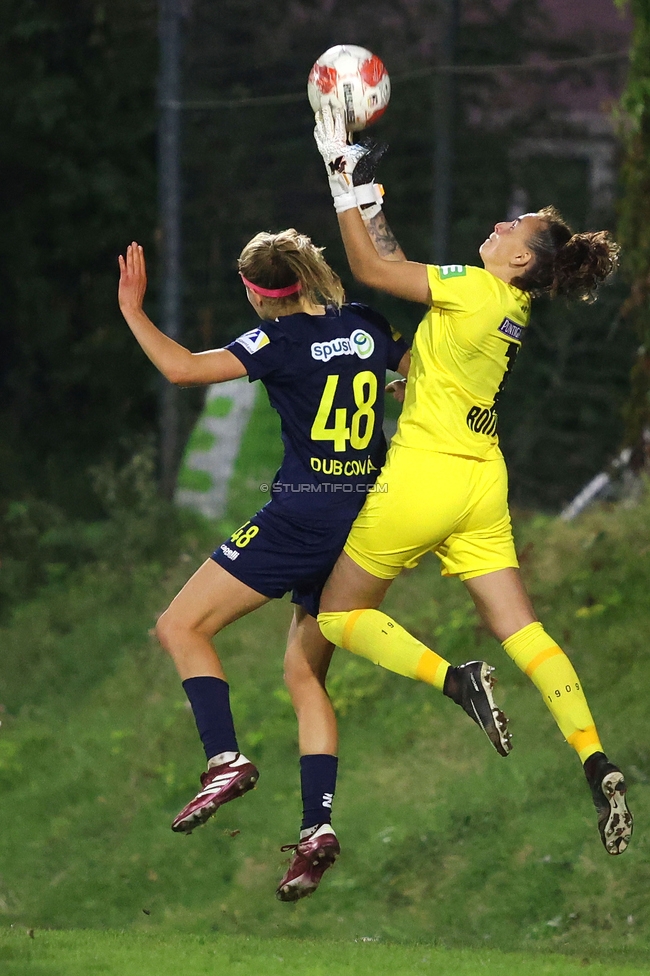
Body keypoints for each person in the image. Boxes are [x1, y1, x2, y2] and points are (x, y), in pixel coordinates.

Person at [312, 105, 633, 856]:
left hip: (425, 475)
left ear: (521, 259)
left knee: (336, 614)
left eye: (509, 228)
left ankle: (455, 681)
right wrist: (370, 196)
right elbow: (423, 314)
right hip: (482, 483)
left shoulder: (470, 285)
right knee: (521, 627)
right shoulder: (507, 306)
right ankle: (595, 759)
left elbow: (370, 269)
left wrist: (337, 178)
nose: (497, 224)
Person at [118, 228, 414, 901]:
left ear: (257, 292)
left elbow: (182, 369)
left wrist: (134, 309)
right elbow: (413, 370)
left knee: (180, 627)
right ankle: (317, 830)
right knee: (304, 674)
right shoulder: (365, 324)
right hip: (363, 521)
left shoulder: (275, 341)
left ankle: (225, 760)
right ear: (309, 274)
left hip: (304, 515)